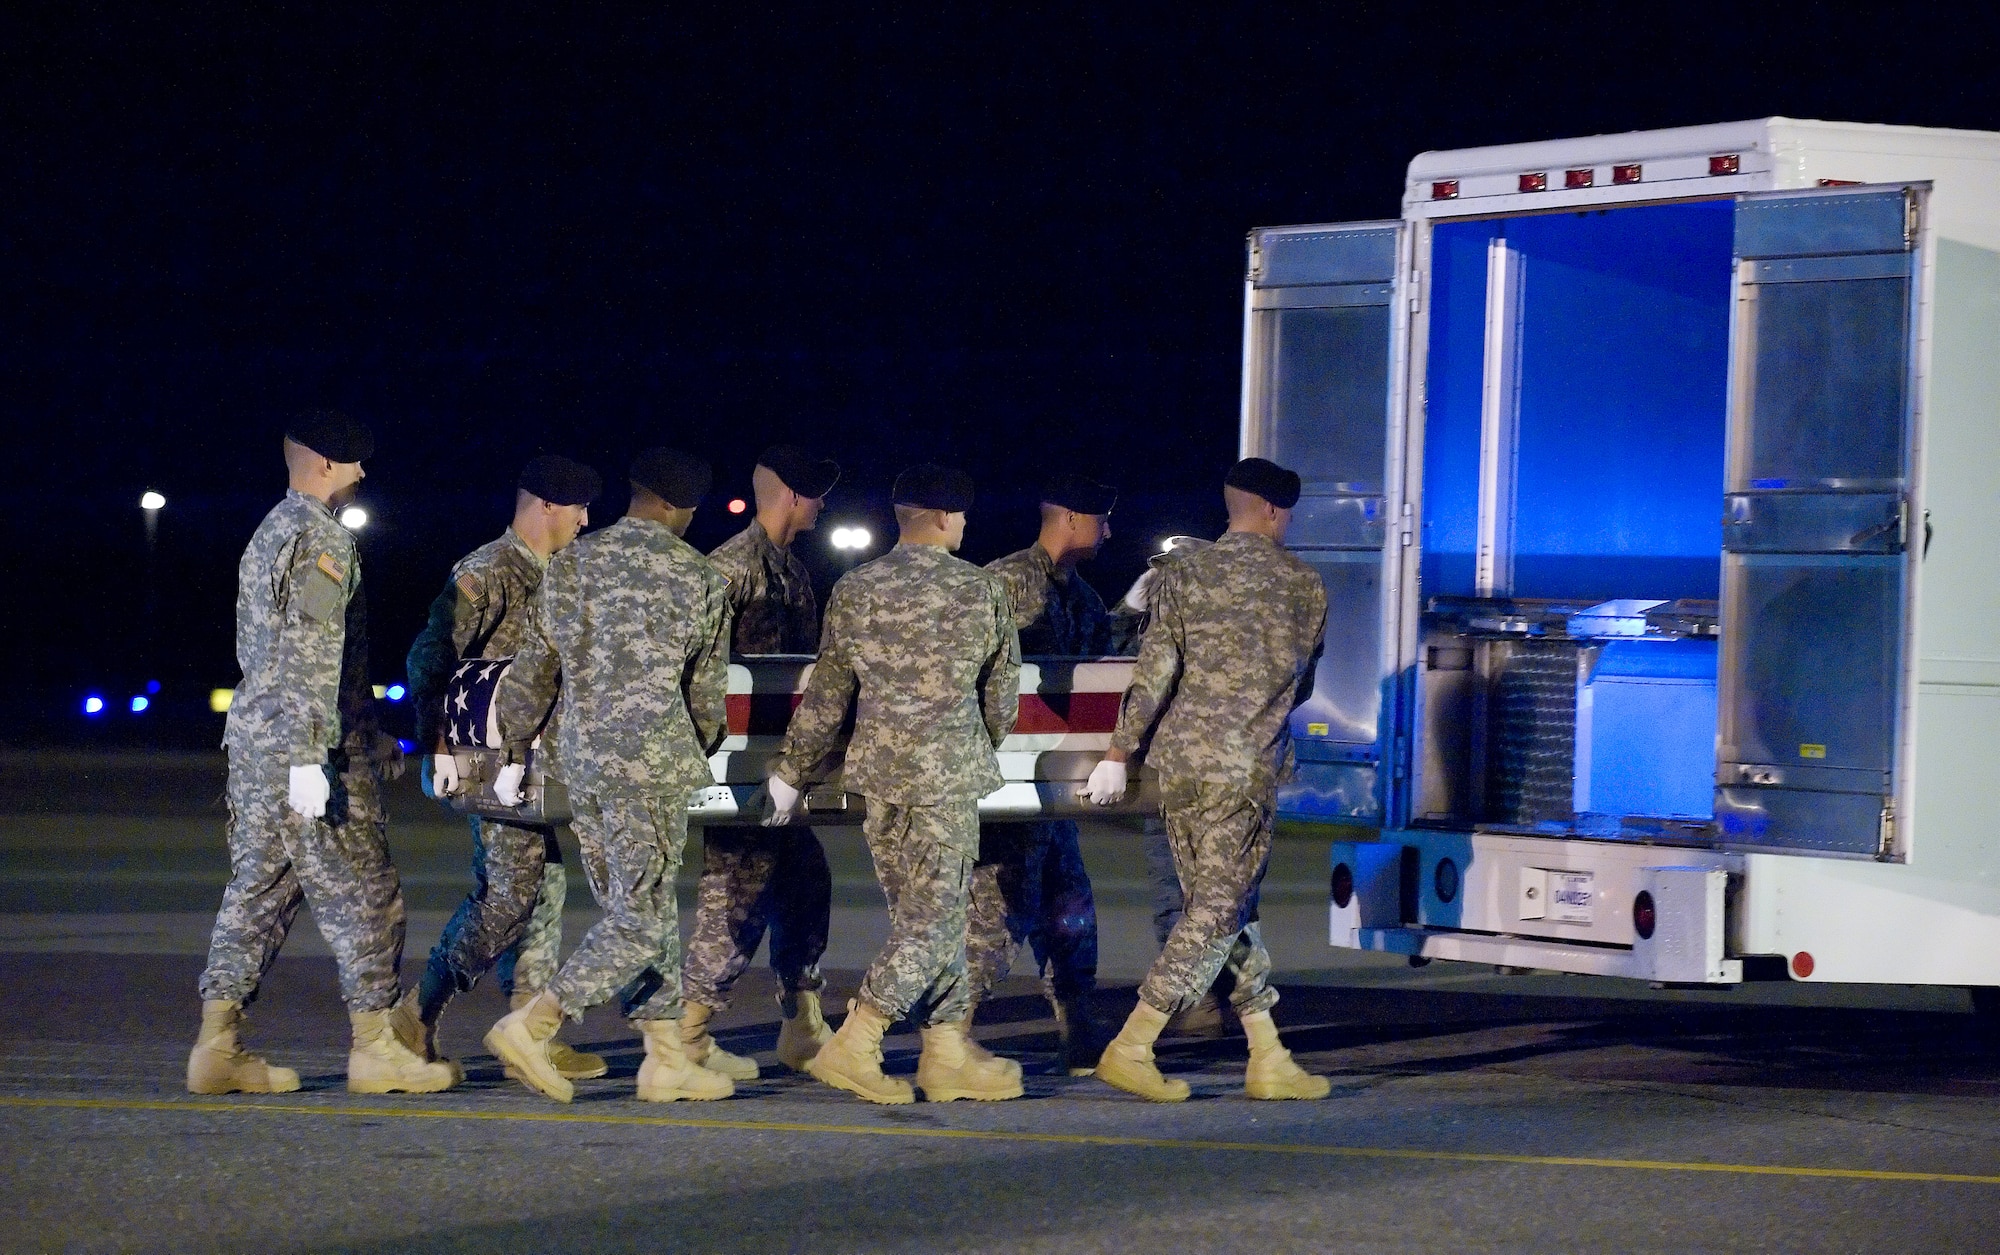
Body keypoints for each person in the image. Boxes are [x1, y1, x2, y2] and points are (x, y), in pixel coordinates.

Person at [188, 410, 457, 1096]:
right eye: (355, 461)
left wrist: (371, 741)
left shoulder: (268, 532)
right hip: (306, 754)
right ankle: (375, 1048)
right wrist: (314, 754)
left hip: (255, 747)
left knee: (255, 896)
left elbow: (273, 656)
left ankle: (216, 1045)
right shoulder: (321, 541)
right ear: (326, 465)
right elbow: (312, 647)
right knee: (367, 894)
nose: (364, 472)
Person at [762, 463, 1024, 1104]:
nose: (963, 525)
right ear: (941, 517)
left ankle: (945, 1053)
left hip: (877, 777)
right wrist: (972, 747)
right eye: (960, 515)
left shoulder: (856, 587)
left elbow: (828, 692)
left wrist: (793, 770)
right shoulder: (981, 590)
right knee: (936, 925)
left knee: (921, 916)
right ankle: (857, 1041)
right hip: (943, 779)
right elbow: (1001, 697)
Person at [483, 447, 735, 1104]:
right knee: (641, 919)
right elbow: (705, 695)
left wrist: (512, 749)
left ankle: (665, 1056)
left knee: (637, 909)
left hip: (582, 764)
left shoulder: (571, 564)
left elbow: (534, 670)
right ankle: (533, 1023)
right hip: (649, 766)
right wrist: (701, 741)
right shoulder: (700, 577)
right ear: (682, 508)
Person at [1081, 457, 1330, 1103]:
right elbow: (1303, 682)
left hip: (1177, 768)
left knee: (1224, 908)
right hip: (1241, 770)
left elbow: (1153, 671)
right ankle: (1132, 1045)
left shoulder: (1182, 573)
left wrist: (1117, 751)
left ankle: (1267, 1052)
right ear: (1275, 511)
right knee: (1217, 911)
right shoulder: (1302, 583)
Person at [401, 453, 604, 1081]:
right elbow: (431, 658)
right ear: (545, 505)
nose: (586, 519)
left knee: (545, 888)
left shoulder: (563, 573)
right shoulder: (488, 571)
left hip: (539, 761)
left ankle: (526, 1027)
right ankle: (417, 1013)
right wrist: (434, 745)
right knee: (510, 895)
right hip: (488, 760)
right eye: (577, 508)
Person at [680, 445, 842, 1081]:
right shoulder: (729, 569)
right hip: (737, 768)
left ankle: (802, 1021)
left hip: (779, 768)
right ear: (795, 498)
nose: (823, 506)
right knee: (736, 895)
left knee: (807, 880)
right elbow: (694, 665)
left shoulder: (791, 573)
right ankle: (687, 1033)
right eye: (817, 494)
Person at [966, 473, 1117, 1074]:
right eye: (1101, 519)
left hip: (1058, 791)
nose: (1109, 531)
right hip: (1007, 786)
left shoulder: (1083, 599)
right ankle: (952, 1030)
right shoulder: (1000, 584)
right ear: (1072, 520)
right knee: (997, 914)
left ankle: (1078, 1026)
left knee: (1070, 909)